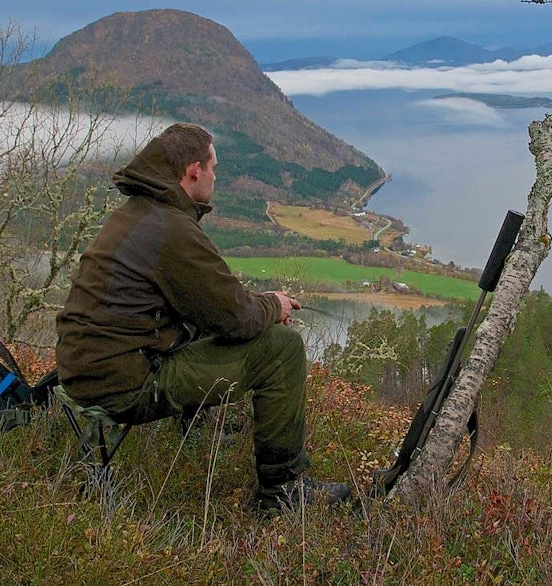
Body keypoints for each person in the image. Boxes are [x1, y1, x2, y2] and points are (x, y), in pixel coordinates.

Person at [55, 122, 351, 511]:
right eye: (213, 168)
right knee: (282, 348)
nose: (215, 176)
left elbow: (209, 304)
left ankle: (199, 431)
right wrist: (273, 305)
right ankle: (283, 490)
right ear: (193, 170)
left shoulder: (137, 215)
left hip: (84, 372)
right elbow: (237, 318)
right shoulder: (170, 229)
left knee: (196, 325)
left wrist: (253, 304)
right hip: (123, 385)